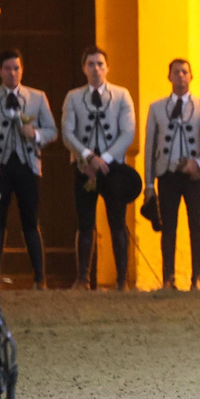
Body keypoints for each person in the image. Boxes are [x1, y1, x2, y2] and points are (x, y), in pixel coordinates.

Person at [0, 49, 57, 289]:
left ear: (22, 70)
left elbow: (52, 131)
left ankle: (40, 278)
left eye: (17, 68)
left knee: (30, 222)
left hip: (27, 166)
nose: (13, 73)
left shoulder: (37, 97)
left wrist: (35, 133)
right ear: (0, 70)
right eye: (8, 68)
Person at [61, 46, 137, 290]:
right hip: (84, 168)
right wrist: (87, 157)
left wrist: (103, 159)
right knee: (85, 222)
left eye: (100, 64)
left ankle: (121, 280)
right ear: (84, 68)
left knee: (117, 222)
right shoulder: (73, 97)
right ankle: (83, 278)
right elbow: (67, 132)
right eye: (91, 64)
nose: (96, 68)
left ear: (107, 67)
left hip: (112, 169)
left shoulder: (122, 95)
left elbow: (128, 133)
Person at [143, 58, 200, 290]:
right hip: (167, 174)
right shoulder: (156, 108)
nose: (181, 76)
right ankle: (168, 278)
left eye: (185, 72)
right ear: (169, 76)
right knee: (168, 226)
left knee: (196, 224)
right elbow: (150, 148)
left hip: (195, 176)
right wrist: (149, 184)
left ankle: (197, 279)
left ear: (191, 76)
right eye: (176, 72)